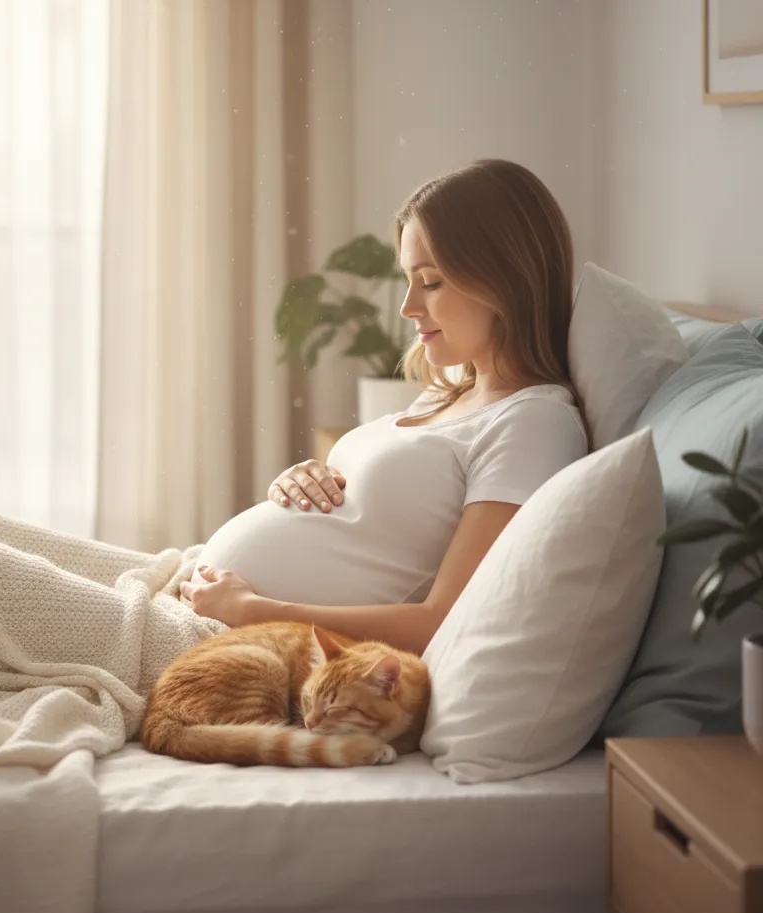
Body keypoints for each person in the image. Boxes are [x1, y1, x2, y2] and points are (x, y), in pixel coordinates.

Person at [179, 158, 589, 655]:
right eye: (408, 280)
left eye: (431, 282)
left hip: (239, 647)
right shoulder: (451, 392)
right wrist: (304, 479)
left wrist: (250, 610)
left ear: (505, 278)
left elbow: (442, 623)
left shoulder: (534, 423)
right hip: (197, 594)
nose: (408, 307)